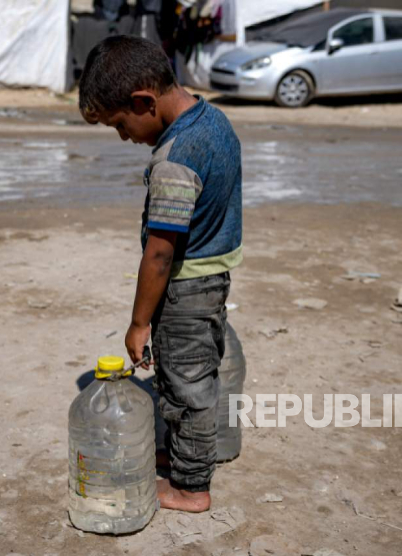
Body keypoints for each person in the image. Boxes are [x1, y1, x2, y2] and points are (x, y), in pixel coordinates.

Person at [78, 35, 242, 513]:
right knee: (186, 374)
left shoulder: (175, 159)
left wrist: (138, 322)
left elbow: (160, 255)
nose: (124, 136)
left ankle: (190, 487)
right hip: (212, 277)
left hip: (186, 287)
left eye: (120, 125)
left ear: (143, 101)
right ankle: (179, 454)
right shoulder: (214, 122)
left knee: (187, 386)